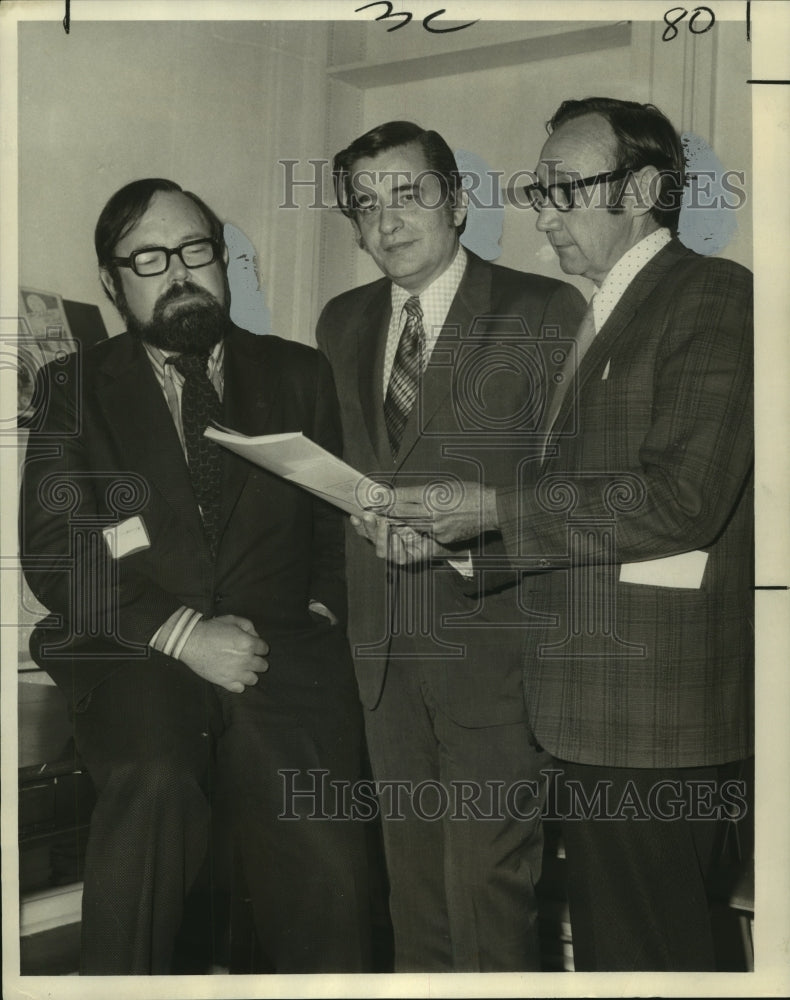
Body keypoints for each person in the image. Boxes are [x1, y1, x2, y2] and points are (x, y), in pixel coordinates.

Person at [361, 98, 754, 971]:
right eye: (539, 193)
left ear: (646, 188)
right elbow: (575, 504)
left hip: (656, 720)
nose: (543, 215)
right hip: (596, 714)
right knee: (628, 957)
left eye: (564, 190)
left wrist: (492, 509)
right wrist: (455, 541)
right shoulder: (609, 309)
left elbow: (680, 496)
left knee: (654, 960)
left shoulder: (714, 293)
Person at [19, 178, 371, 975]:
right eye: (148, 258)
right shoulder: (71, 389)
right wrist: (183, 635)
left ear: (221, 260)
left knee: (331, 865)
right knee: (156, 781)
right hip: (136, 645)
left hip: (278, 650)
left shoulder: (299, 373)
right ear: (112, 283)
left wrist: (317, 610)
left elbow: (333, 523)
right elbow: (54, 546)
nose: (178, 271)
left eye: (195, 249)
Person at [315, 120, 586, 971]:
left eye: (410, 194)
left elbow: (578, 488)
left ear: (458, 201)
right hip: (381, 656)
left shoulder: (545, 311)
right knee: (413, 899)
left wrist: (472, 537)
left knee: (490, 894)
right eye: (366, 205)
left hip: (495, 650)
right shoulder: (340, 321)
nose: (387, 221)